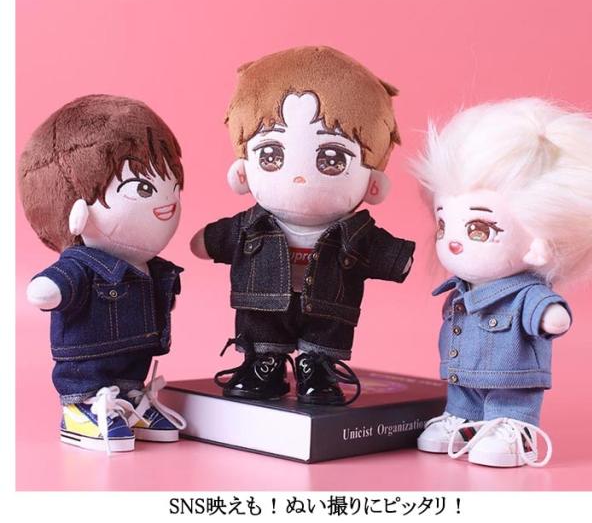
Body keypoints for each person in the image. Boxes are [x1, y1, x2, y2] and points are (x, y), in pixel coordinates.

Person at [191, 46, 415, 405]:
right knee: (260, 329)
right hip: (263, 306)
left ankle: (318, 367)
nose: (298, 176)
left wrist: (397, 259)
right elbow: (211, 241)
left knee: (326, 332)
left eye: (332, 158)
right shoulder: (250, 225)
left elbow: (389, 255)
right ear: (243, 171)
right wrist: (209, 241)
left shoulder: (357, 233)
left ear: (373, 182)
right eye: (270, 155)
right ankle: (264, 362)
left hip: (328, 308)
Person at [413, 98, 592, 467]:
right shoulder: (460, 290)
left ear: (540, 241)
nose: (453, 241)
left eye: (479, 229)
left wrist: (552, 316)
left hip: (513, 381)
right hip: (462, 378)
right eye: (444, 224)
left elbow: (548, 311)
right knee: (463, 398)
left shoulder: (525, 294)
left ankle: (513, 429)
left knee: (509, 402)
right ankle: (462, 421)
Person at [19, 94, 187, 453]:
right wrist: (47, 288)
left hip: (135, 356)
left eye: (172, 185)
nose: (168, 203)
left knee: (133, 367)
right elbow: (53, 285)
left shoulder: (151, 267)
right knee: (86, 375)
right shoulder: (83, 264)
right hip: (86, 367)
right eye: (143, 188)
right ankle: (79, 409)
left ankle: (128, 399)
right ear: (77, 206)